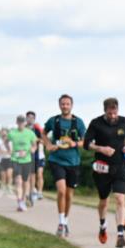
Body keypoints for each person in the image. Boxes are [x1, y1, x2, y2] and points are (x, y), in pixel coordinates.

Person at [83, 97, 125, 248]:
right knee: (104, 201)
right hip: (102, 167)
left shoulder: (124, 121)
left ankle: (120, 234)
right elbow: (86, 144)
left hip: (120, 166)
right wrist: (101, 148)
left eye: (115, 112)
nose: (113, 116)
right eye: (110, 113)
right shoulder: (96, 123)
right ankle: (103, 225)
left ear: (118, 110)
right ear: (105, 111)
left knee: (120, 199)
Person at [43, 95, 87, 237]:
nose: (65, 106)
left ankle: (66, 221)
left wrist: (74, 143)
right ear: (59, 105)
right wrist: (48, 144)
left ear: (71, 105)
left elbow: (85, 141)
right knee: (61, 191)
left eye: (67, 104)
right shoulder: (54, 120)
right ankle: (61, 223)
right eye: (63, 104)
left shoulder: (78, 122)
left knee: (69, 194)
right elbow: (43, 133)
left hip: (73, 162)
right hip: (57, 160)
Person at [7, 115, 38, 211]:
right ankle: (20, 202)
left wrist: (32, 149)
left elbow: (34, 144)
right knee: (18, 180)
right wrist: (10, 149)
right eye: (19, 122)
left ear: (25, 123)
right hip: (15, 159)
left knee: (26, 181)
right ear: (16, 122)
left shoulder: (30, 133)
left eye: (22, 122)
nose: (20, 124)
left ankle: (24, 200)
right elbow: (6, 141)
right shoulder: (12, 133)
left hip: (27, 160)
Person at [26, 111, 45, 202]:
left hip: (39, 154)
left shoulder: (37, 128)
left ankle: (40, 192)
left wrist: (35, 139)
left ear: (34, 119)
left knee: (39, 173)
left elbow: (44, 140)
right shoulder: (24, 129)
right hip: (29, 155)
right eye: (28, 117)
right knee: (31, 174)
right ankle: (33, 190)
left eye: (32, 117)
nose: (30, 119)